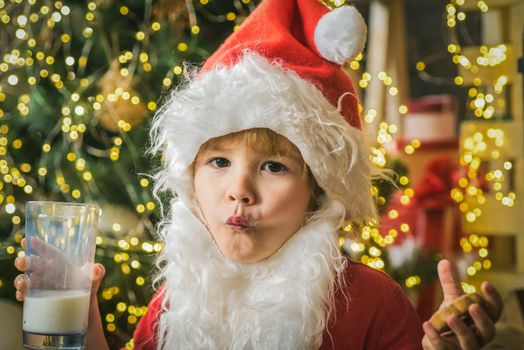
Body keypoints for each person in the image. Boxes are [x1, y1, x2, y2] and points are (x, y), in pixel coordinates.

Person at [14, 0, 503, 349]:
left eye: (273, 166)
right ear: (191, 179)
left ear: (317, 190)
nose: (239, 192)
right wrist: (83, 309)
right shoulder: (179, 297)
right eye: (219, 162)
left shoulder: (373, 302)